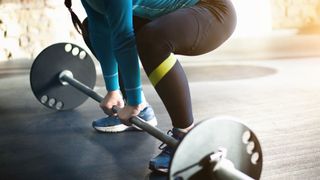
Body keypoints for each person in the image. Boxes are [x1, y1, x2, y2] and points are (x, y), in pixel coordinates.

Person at [65, 0, 236, 173]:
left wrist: (134, 101)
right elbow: (100, 28)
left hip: (213, 12)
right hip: (167, 12)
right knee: (91, 28)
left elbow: (123, 36)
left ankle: (184, 134)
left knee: (152, 39)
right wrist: (112, 89)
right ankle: (141, 110)